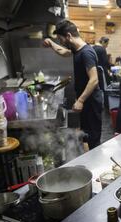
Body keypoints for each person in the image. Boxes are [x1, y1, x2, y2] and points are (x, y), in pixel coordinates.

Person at [43, 20, 102, 149]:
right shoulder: (77, 50)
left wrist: (80, 100)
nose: (61, 42)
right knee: (86, 135)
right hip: (87, 100)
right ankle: (89, 159)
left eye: (60, 39)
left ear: (69, 36)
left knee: (93, 139)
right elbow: (64, 52)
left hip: (91, 102)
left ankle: (97, 165)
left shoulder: (87, 53)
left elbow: (94, 79)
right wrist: (51, 43)